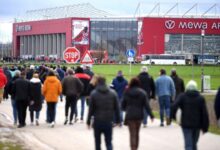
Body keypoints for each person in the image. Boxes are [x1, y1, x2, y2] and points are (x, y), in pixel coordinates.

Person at [171, 80, 209, 150]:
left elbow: (173, 107)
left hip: (186, 124)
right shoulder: (200, 98)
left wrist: (173, 117)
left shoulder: (182, 96)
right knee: (194, 144)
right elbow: (204, 114)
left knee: (188, 144)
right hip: (197, 125)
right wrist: (205, 127)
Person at [87, 76, 120, 150]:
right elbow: (117, 108)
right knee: (108, 142)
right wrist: (118, 120)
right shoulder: (113, 93)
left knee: (97, 142)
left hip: (97, 121)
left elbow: (90, 109)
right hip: (108, 121)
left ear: (97, 82)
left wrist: (88, 121)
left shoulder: (94, 94)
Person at [122, 77, 154, 150]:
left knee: (132, 134)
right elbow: (146, 105)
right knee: (137, 133)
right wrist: (151, 115)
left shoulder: (127, 92)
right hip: (139, 115)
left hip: (130, 115)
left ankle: (133, 148)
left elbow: (123, 104)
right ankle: (136, 147)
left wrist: (125, 109)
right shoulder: (142, 92)